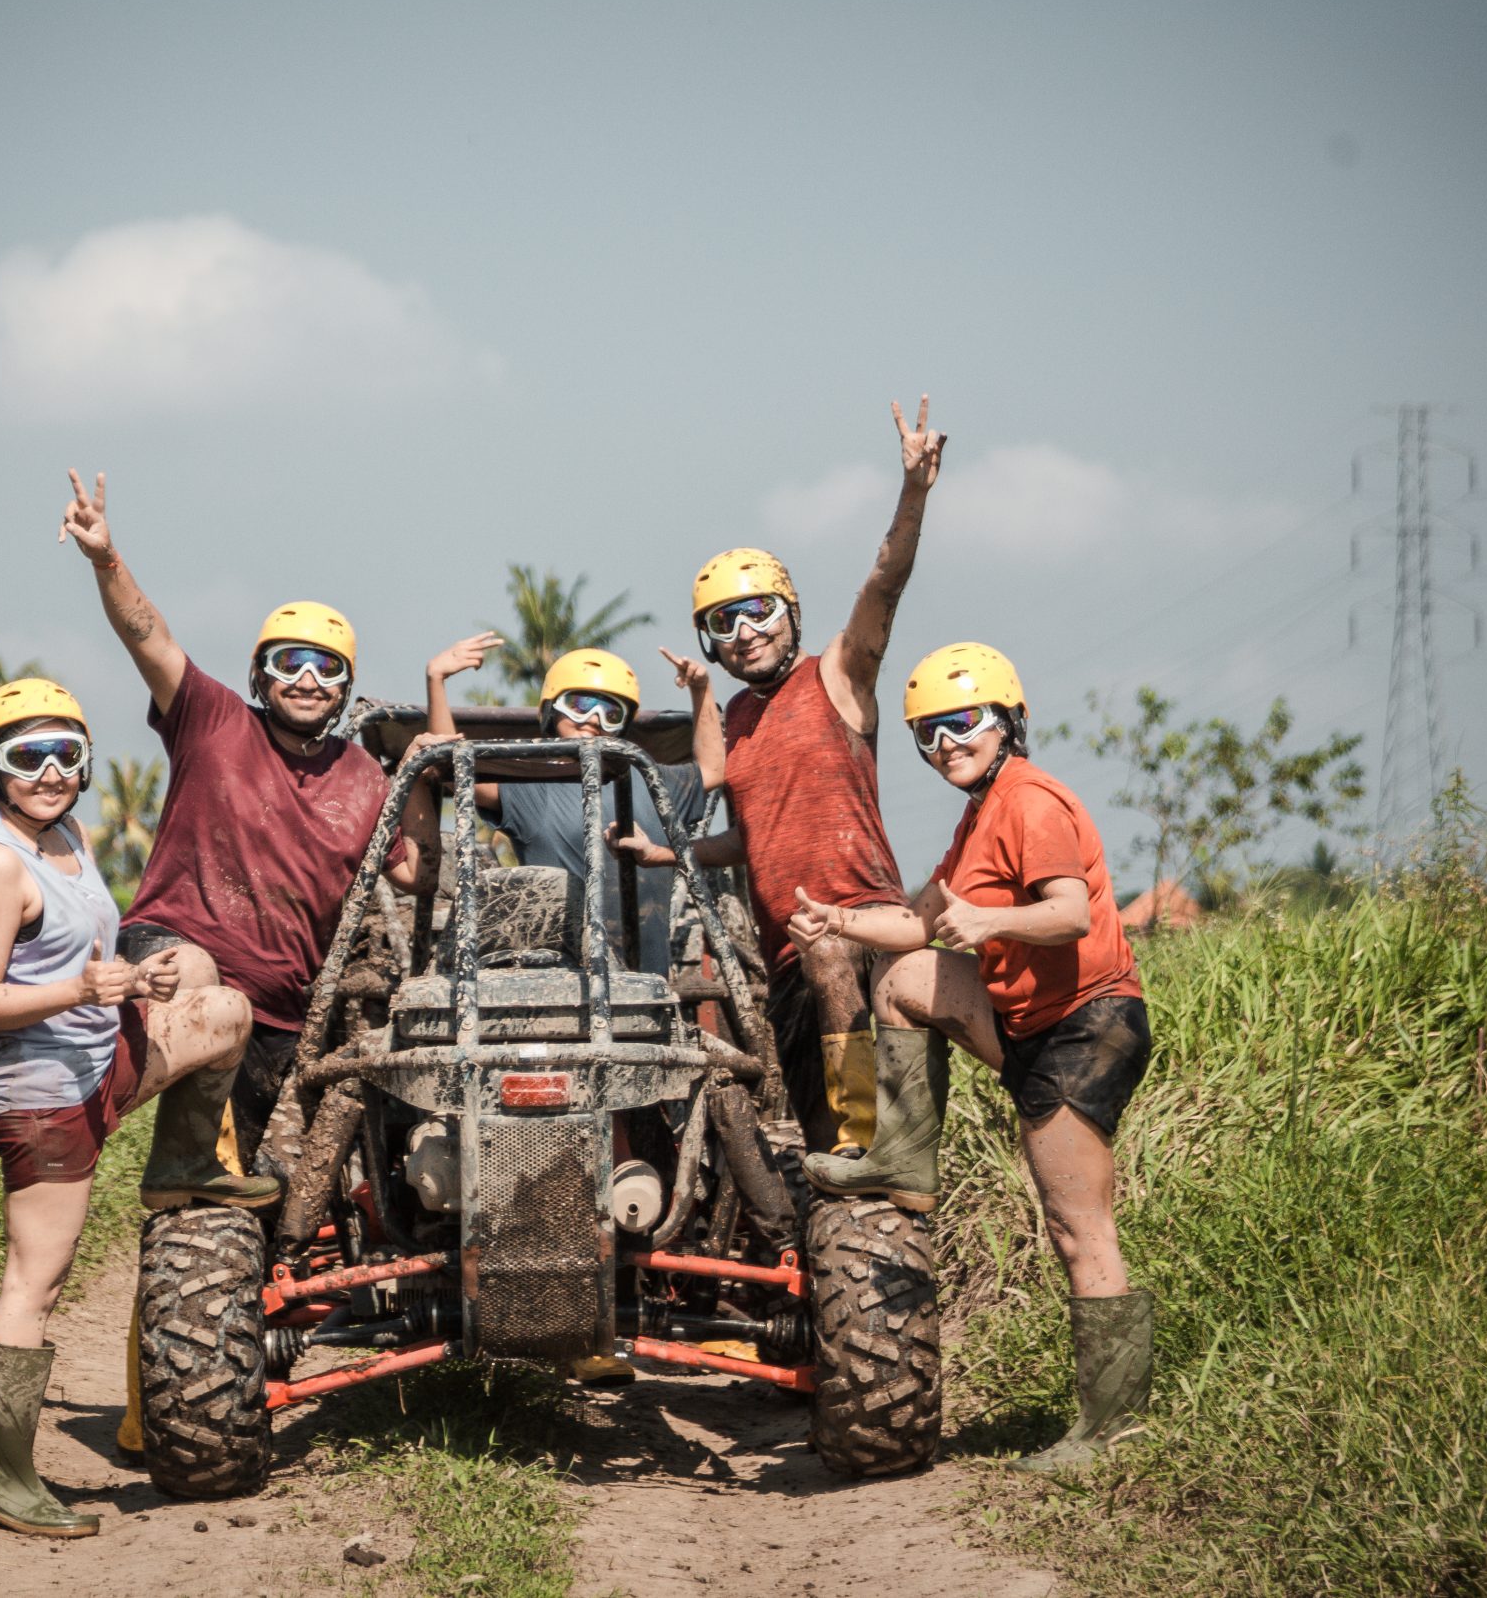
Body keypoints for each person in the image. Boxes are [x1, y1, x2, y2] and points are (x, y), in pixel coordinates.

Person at [788, 643, 1154, 1472]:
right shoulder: (978, 817)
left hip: (1084, 1025)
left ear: (1008, 721)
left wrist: (992, 926)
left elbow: (1067, 914)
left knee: (1078, 1226)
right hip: (1028, 1022)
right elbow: (915, 925)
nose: (946, 743)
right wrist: (835, 923)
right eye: (928, 734)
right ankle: (904, 1157)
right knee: (906, 978)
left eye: (963, 722)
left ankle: (1115, 1428)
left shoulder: (1030, 800)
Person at [0, 677, 262, 1537]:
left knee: (221, 1006)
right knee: (34, 1281)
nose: (48, 773)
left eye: (65, 754)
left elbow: (91, 952)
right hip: (38, 1093)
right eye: (26, 756)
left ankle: (183, 1162)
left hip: (95, 1058)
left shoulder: (68, 838)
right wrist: (78, 987)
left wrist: (135, 978)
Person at [58, 468, 439, 1176]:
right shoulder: (213, 719)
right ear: (259, 675)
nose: (306, 678)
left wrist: (422, 775)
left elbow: (417, 871)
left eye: (326, 667)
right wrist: (106, 557)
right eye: (288, 661)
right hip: (176, 954)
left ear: (344, 687)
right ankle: (70, 1115)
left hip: (278, 1021)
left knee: (229, 1196)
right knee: (199, 973)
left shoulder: (364, 777)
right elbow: (148, 636)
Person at [613, 398, 945, 1153]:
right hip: (790, 960)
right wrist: (671, 854)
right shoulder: (734, 722)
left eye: (758, 610)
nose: (744, 632)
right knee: (829, 1152)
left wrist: (914, 493)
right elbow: (752, 834)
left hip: (867, 938)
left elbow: (884, 586)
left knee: (876, 1139)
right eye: (723, 622)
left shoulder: (838, 674)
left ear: (790, 610)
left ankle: (880, 1147)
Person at [423, 636, 724, 975]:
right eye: (580, 704)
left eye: (611, 712)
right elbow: (455, 771)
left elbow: (712, 770)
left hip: (644, 981)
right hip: (561, 979)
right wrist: (437, 680)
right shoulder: (532, 786)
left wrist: (702, 689)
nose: (594, 719)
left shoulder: (647, 777)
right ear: (552, 708)